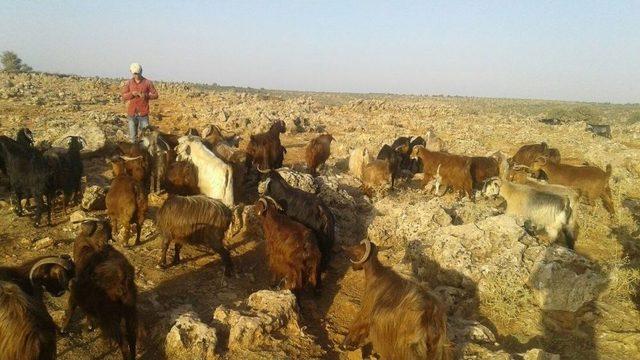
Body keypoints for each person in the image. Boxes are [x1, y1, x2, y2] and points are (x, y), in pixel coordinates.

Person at [121, 63, 158, 141]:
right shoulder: (128, 83)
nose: (136, 75)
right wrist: (132, 94)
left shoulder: (148, 82)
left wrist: (146, 96)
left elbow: (155, 95)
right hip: (132, 113)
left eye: (138, 73)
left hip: (143, 114)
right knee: (132, 138)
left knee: (146, 138)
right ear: (131, 72)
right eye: (134, 74)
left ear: (141, 72)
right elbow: (124, 96)